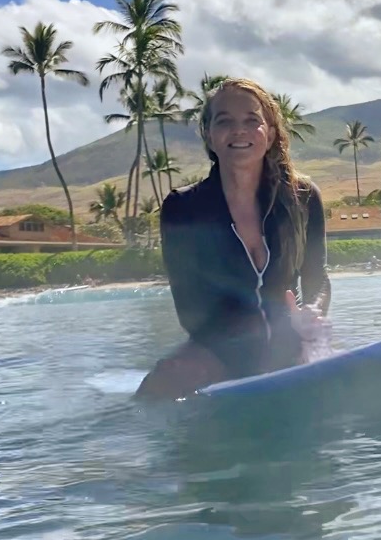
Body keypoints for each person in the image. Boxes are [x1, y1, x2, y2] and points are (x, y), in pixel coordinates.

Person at [135, 78, 332, 400]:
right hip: (221, 347)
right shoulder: (184, 208)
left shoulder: (303, 197)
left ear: (269, 134)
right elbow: (190, 313)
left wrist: (311, 313)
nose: (239, 130)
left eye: (252, 120)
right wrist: (245, 361)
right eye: (224, 121)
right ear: (209, 136)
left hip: (291, 337)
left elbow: (318, 277)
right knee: (160, 385)